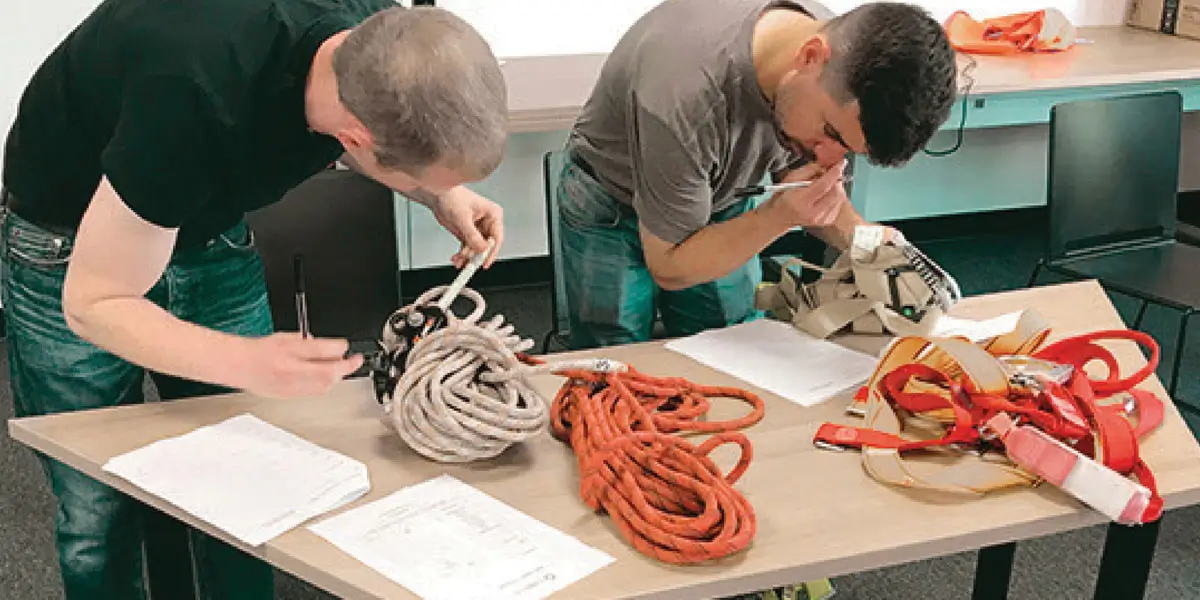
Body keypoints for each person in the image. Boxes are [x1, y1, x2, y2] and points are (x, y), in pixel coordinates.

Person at [0, 1, 508, 598]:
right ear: (356, 138)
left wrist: (442, 196)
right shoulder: (191, 95)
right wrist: (247, 362)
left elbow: (368, 128)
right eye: (433, 180)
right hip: (68, 239)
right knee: (96, 507)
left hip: (204, 220)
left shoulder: (378, 35)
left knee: (242, 479)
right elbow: (94, 302)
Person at [557, 0, 958, 350]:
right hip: (613, 202)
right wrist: (778, 216)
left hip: (723, 196)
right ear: (809, 57)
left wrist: (879, 247)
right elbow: (671, 265)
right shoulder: (685, 92)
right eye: (831, 134)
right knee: (613, 366)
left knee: (730, 346)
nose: (831, 161)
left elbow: (807, 186)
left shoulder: (844, 57)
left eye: (849, 150)